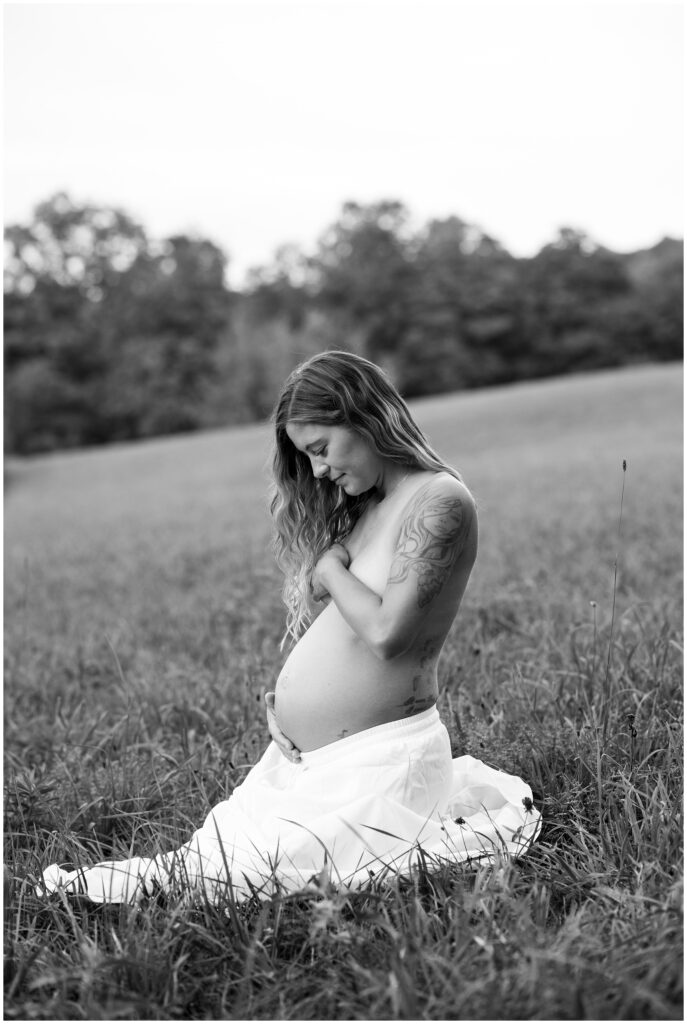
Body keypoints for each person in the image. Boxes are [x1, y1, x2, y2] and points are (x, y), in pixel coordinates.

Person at [39, 351, 540, 905]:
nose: (320, 470)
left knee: (236, 879)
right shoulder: (372, 505)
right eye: (308, 458)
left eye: (321, 449)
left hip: (379, 764)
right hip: (312, 762)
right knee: (209, 864)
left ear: (365, 415)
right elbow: (339, 633)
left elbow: (386, 633)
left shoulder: (438, 501)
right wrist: (297, 704)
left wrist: (328, 567)